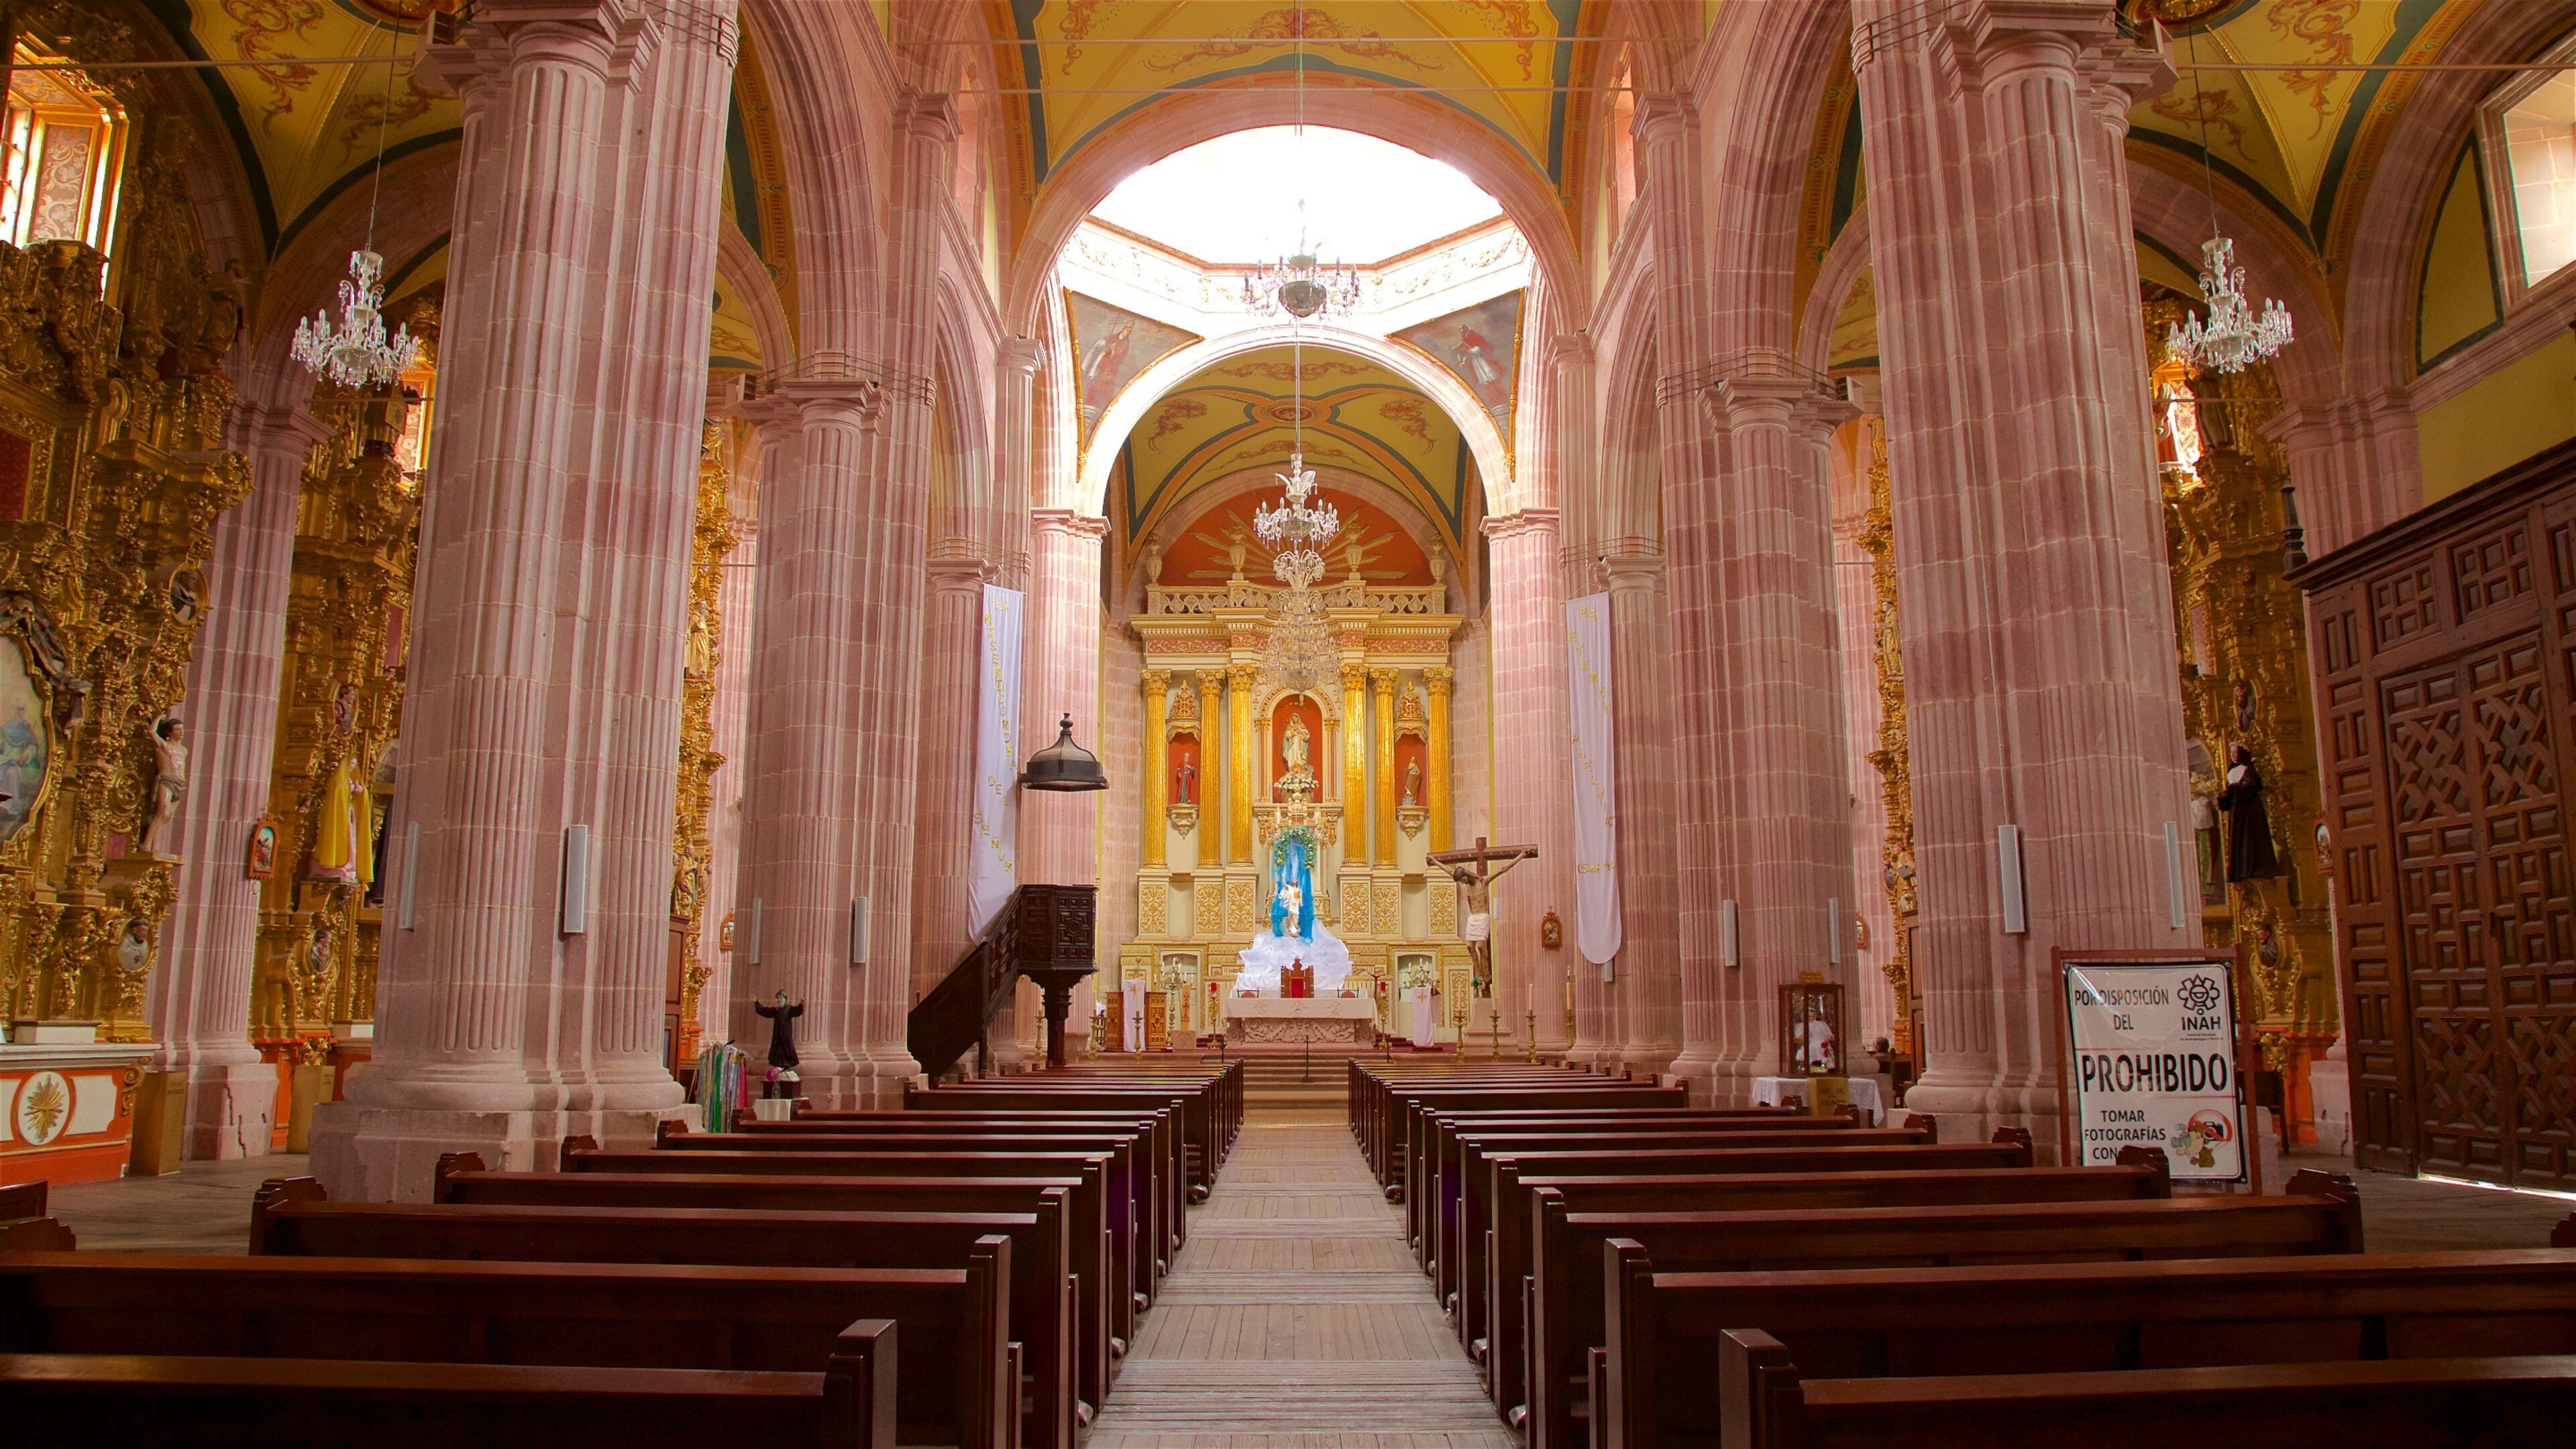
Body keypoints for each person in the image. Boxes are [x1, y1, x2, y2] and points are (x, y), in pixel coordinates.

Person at [2218, 745, 2280, 882]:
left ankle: (2252, 869)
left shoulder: (2248, 769)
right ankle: (2240, 871)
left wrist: (2231, 789)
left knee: (2249, 840)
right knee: (2238, 842)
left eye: (2235, 752)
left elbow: (2249, 787)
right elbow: (2231, 791)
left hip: (2249, 811)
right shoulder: (2232, 771)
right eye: (2231, 753)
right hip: (2237, 811)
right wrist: (2223, 796)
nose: (2233, 755)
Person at [755, 988, 804, 1071]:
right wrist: (757, 1002)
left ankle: (786, 1066)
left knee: (787, 1051)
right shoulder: (776, 1010)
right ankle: (778, 1066)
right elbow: (765, 1011)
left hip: (786, 1036)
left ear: (785, 999)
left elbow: (797, 1011)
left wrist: (801, 1005)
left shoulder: (789, 1009)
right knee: (777, 1052)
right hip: (777, 1036)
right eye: (778, 998)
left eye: (781, 997)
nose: (779, 999)